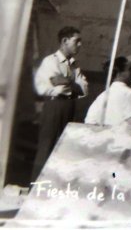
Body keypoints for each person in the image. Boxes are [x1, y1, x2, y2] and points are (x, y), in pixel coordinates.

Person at [32, 26, 88, 179]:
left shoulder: (74, 65)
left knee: (63, 149)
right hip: (54, 107)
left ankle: (52, 187)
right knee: (46, 148)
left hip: (70, 107)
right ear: (64, 41)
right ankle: (35, 186)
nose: (80, 45)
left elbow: (84, 88)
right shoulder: (50, 62)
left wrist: (66, 82)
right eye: (77, 41)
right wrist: (72, 84)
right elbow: (51, 88)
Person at [84, 57, 131, 128]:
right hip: (122, 137)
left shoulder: (102, 96)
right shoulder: (130, 93)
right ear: (119, 73)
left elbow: (89, 121)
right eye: (129, 70)